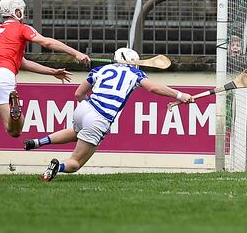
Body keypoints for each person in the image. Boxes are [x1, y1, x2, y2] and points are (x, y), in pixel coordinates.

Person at [23, 48, 193, 181]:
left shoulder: (101, 70)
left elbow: (78, 94)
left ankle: (37, 142)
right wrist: (180, 95)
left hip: (84, 108)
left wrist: (88, 107)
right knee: (75, 163)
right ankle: (57, 167)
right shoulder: (136, 73)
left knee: (76, 132)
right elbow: (153, 87)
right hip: (100, 117)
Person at [0, 0, 90, 181]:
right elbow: (46, 42)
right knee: (14, 131)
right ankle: (15, 112)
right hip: (2, 75)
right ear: (17, 12)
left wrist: (52, 71)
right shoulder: (21, 28)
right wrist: (76, 53)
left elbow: (22, 62)